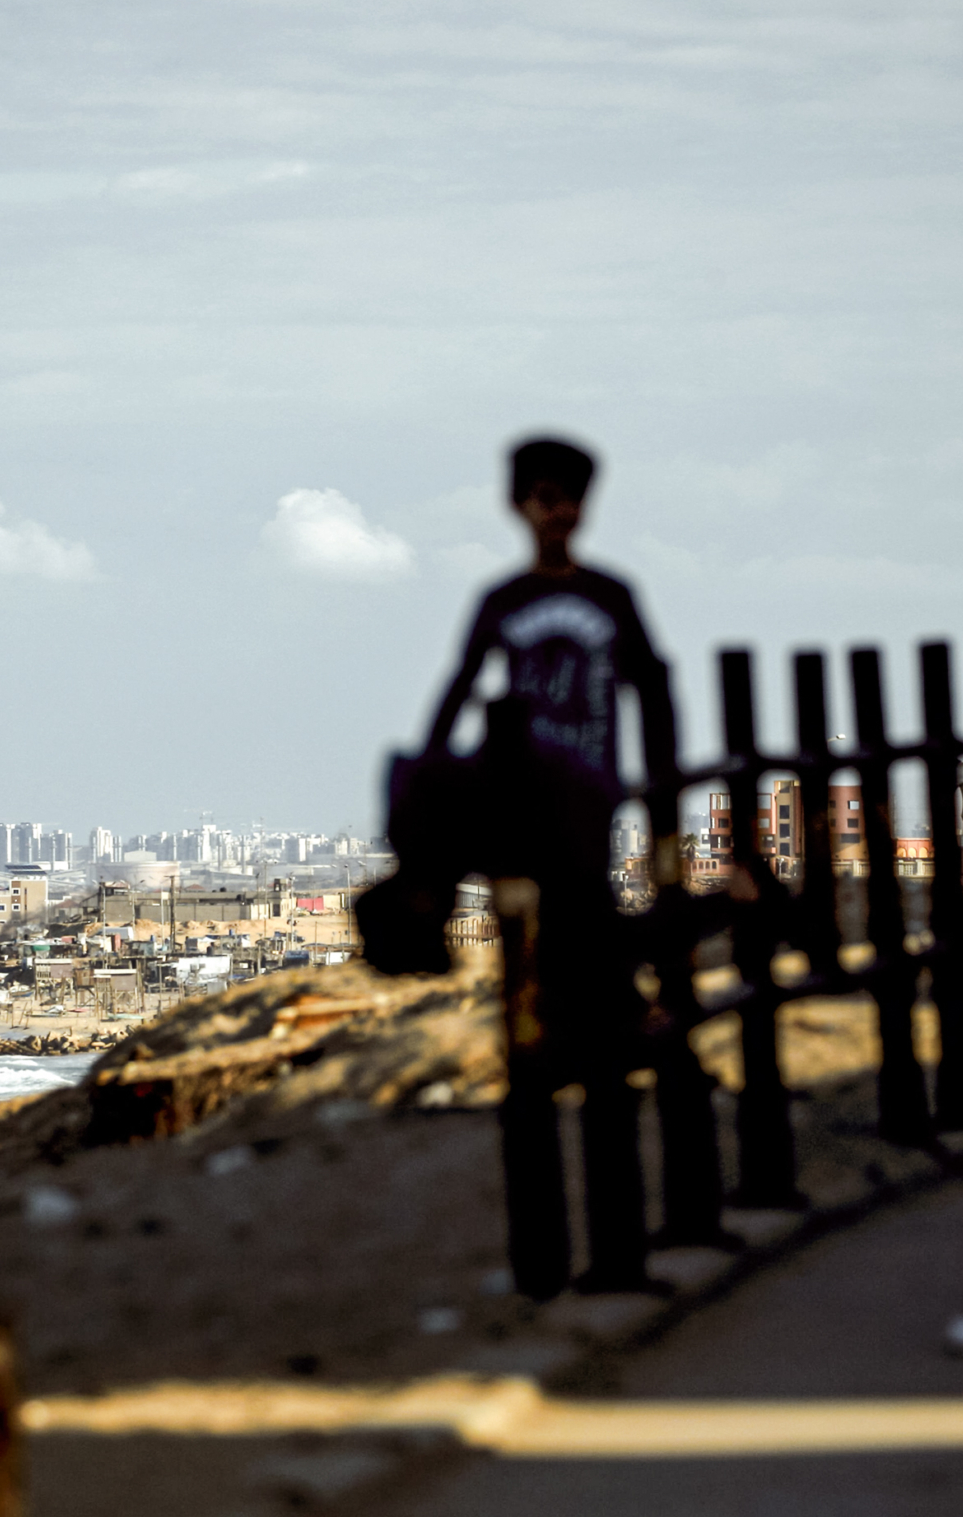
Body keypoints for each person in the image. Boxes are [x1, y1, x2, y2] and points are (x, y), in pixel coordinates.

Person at [420, 437, 685, 1298]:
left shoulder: (611, 598)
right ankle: (581, 1248)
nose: (557, 511)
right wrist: (431, 792)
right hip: (528, 824)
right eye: (543, 497)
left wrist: (667, 814)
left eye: (568, 496)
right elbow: (458, 691)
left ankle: (603, 1247)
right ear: (521, 505)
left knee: (584, 979)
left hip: (595, 812)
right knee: (554, 988)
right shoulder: (505, 601)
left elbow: (655, 690)